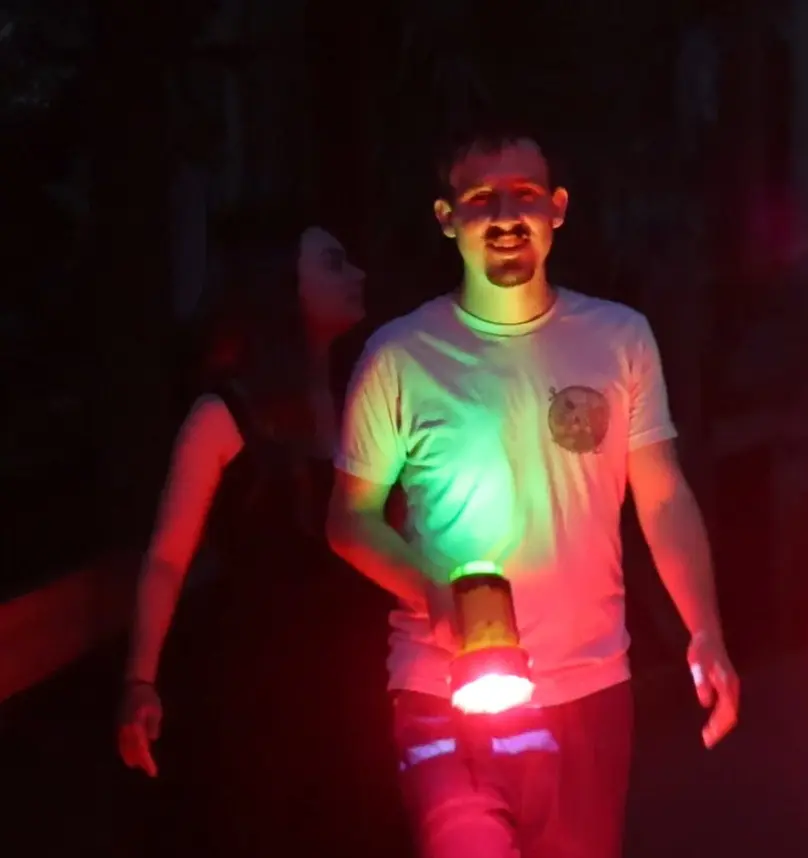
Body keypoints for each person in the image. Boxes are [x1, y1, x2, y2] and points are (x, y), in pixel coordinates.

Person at [326, 124, 738, 858]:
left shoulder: (620, 339)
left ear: (557, 209)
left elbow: (662, 496)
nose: (506, 213)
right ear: (448, 220)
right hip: (441, 693)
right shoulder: (399, 356)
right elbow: (350, 520)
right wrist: (437, 597)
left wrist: (703, 629)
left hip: (590, 688)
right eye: (482, 197)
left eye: (524, 194)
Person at [117, 218, 409, 857]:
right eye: (333, 264)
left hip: (361, 686)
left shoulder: (360, 401)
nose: (356, 275)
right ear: (283, 290)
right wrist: (140, 681)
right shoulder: (224, 414)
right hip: (261, 693)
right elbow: (168, 555)